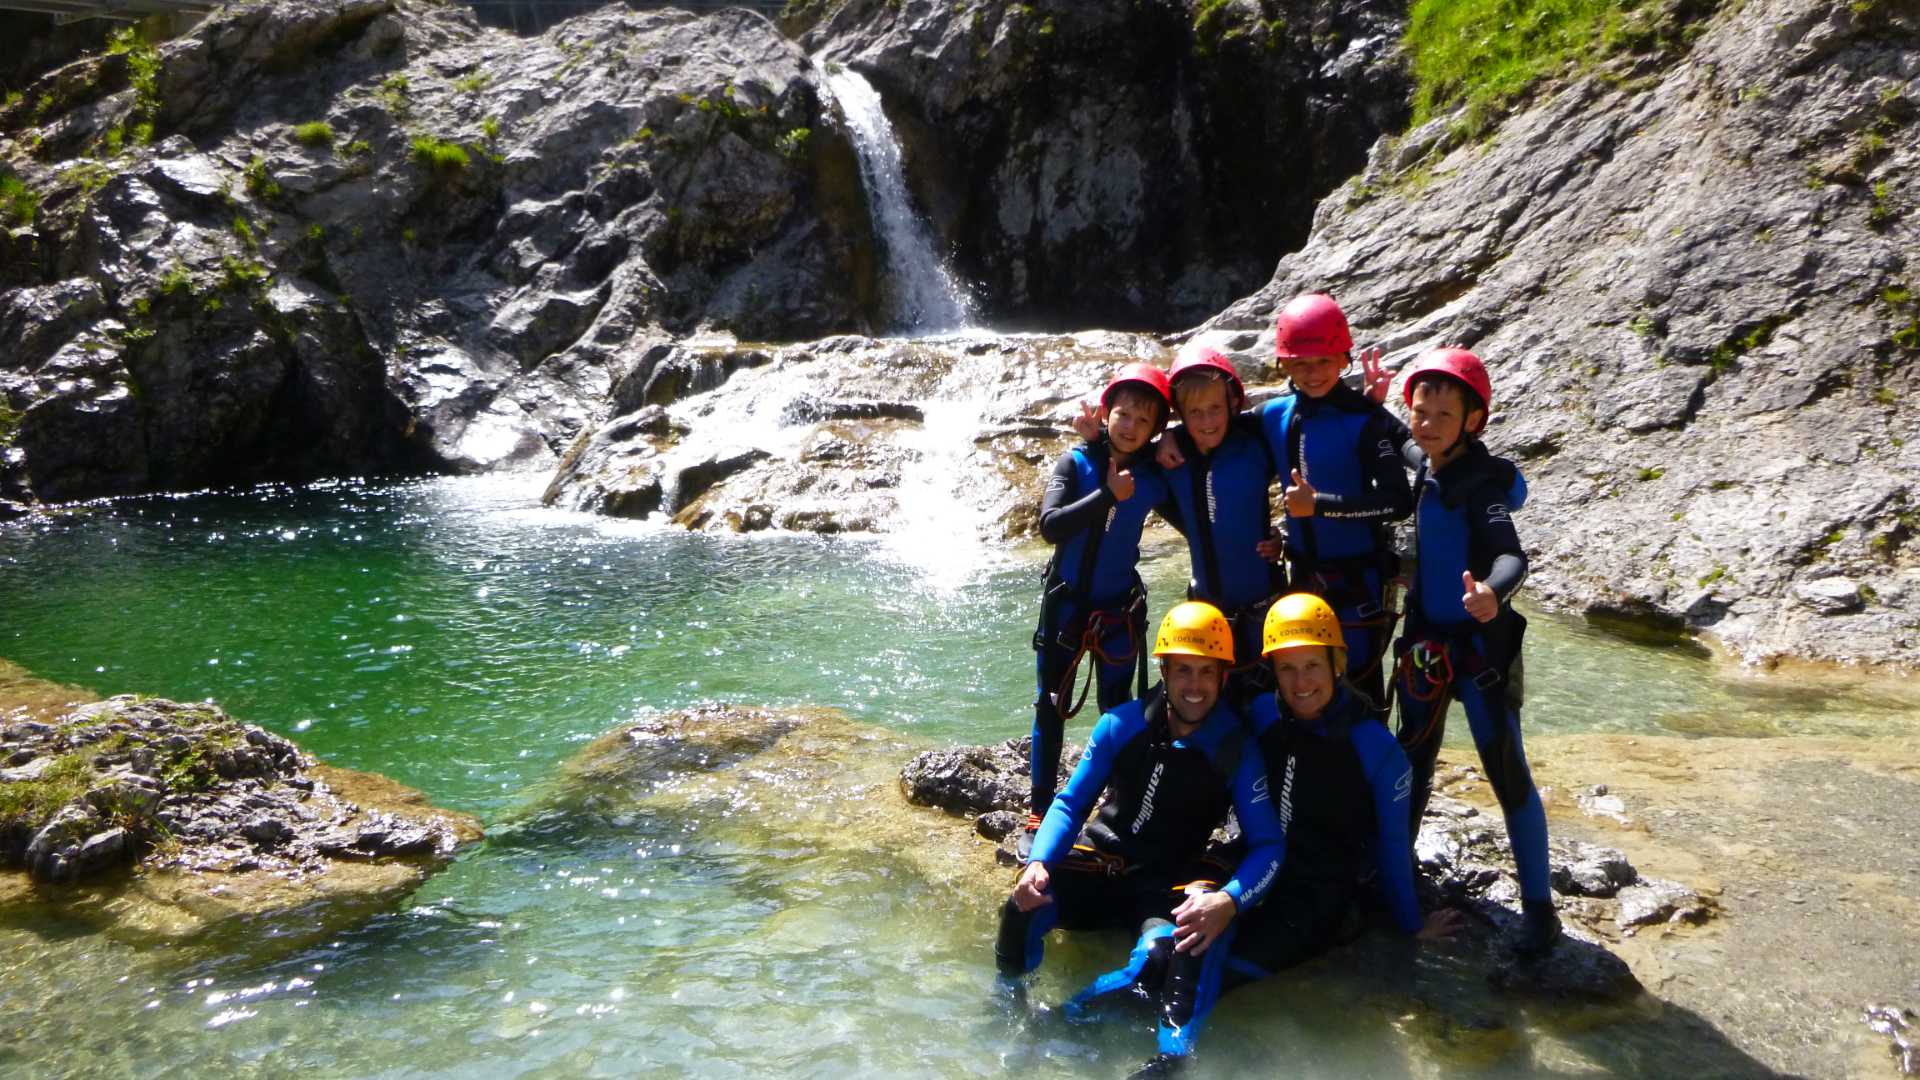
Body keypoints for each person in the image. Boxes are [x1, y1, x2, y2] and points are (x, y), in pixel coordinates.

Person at [1071, 594, 1462, 1076]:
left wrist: (1410, 924)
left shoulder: (1376, 750)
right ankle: (1069, 1019)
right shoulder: (1262, 715)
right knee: (1165, 954)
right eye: (1287, 669)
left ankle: (1170, 1062)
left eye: (1312, 666)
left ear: (1337, 664)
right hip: (1248, 862)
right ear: (1271, 672)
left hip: (1312, 897)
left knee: (1208, 971)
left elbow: (1393, 846)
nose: (1301, 683)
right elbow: (1192, 733)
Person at [994, 601, 1284, 1066]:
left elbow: (1269, 844)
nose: (1195, 686)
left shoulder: (1235, 749)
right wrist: (1040, 864)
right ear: (1164, 673)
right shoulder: (1121, 725)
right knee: (1021, 906)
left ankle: (1062, 1027)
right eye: (1183, 671)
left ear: (1223, 677)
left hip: (1164, 885)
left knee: (1159, 960)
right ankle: (1007, 1004)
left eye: (1206, 673)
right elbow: (1070, 803)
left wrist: (1229, 900)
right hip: (1103, 864)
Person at [1158, 296, 1411, 708]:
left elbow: (1399, 502)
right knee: (1301, 696)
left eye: (1324, 361)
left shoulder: (1363, 419)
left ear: (1343, 357)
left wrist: (1322, 505)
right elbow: (1210, 423)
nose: (1313, 373)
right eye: (1301, 363)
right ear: (1284, 365)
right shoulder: (1271, 417)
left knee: (1363, 694)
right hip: (1301, 579)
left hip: (1360, 581)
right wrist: (1169, 434)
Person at [1391, 346, 1558, 957]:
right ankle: (1399, 873)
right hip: (1426, 647)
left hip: (1479, 650)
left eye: (1442, 413)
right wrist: (1371, 395)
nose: (1427, 423)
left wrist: (1494, 590)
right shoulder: (1424, 460)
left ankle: (1540, 909)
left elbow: (1512, 552)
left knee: (1507, 773)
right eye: (1419, 411)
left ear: (1473, 421)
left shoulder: (1481, 484)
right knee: (1413, 763)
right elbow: (1399, 440)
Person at [1024, 362, 1173, 856]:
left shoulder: (1153, 475)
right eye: (1122, 414)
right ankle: (1040, 805)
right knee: (1050, 705)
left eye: (1142, 420)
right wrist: (1109, 493)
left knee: (1116, 711)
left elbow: (1196, 519)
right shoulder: (1076, 463)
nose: (1129, 425)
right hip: (1067, 607)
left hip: (1117, 613)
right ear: (1105, 413)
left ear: (1155, 429)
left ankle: (1115, 803)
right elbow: (1050, 525)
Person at [1152, 349, 1284, 707]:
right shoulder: (1169, 455)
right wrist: (1165, 434)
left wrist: (1282, 537)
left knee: (1269, 707)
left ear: (1233, 404)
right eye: (1195, 412)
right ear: (1180, 414)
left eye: (1215, 409)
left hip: (1264, 604)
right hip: (1207, 609)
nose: (1207, 420)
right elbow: (1119, 443)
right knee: (1210, 708)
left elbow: (1306, 421)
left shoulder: (1255, 441)